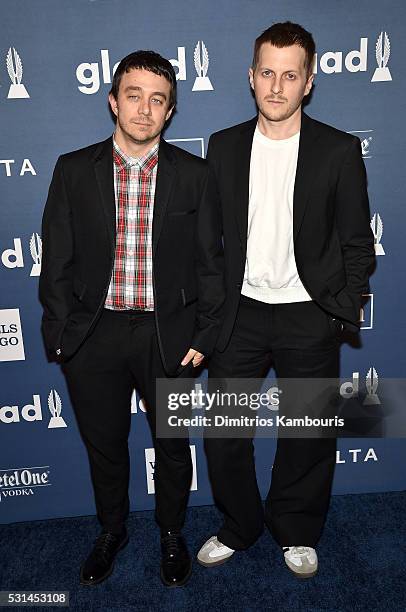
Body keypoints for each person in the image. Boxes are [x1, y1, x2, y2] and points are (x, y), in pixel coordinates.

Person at [39, 50, 224, 587]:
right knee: (105, 443)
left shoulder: (196, 175)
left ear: (170, 112)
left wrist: (205, 334)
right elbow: (57, 260)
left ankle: (171, 533)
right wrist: (61, 335)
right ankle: (111, 530)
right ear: (113, 101)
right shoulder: (74, 170)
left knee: (171, 445)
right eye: (135, 96)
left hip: (170, 337)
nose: (145, 109)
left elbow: (213, 263)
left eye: (158, 100)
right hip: (94, 335)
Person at [197, 22, 375, 578]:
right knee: (226, 434)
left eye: (289, 75)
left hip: (309, 314)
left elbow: (356, 243)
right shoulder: (223, 147)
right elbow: (207, 243)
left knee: (309, 433)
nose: (277, 86)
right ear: (251, 77)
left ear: (309, 82)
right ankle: (239, 526)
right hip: (240, 314)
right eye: (267, 73)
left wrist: (337, 308)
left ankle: (296, 529)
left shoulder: (338, 150)